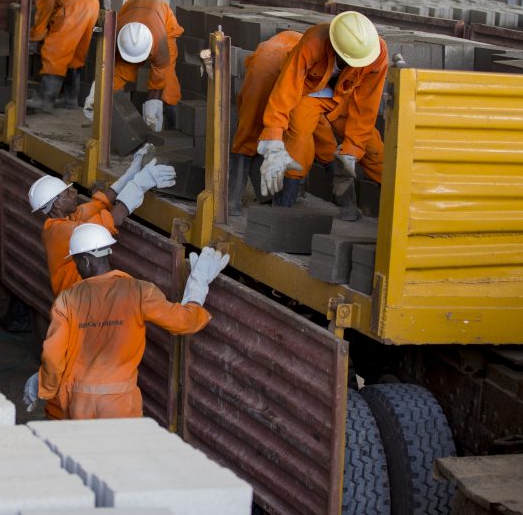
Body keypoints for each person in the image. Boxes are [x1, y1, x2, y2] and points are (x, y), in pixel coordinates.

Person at [23, 224, 228, 420]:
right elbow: (184, 322)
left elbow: (53, 356)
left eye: (76, 262)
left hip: (80, 401)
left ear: (85, 260)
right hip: (120, 401)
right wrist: (198, 284)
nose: (77, 268)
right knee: (121, 453)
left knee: (83, 453)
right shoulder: (139, 291)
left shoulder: (68, 300)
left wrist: (44, 386)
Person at [228, 29, 385, 220]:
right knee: (254, 130)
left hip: (320, 86)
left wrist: (351, 151)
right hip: (281, 72)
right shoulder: (276, 62)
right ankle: (234, 201)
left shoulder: (374, 52)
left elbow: (366, 108)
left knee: (366, 144)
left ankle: (360, 206)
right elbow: (285, 90)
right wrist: (273, 136)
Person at [29, 144, 175, 298]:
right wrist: (139, 185)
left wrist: (130, 175)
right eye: (68, 192)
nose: (74, 193)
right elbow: (115, 218)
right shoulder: (61, 233)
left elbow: (100, 203)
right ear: (58, 203)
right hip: (78, 303)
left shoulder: (66, 220)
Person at [7, 0, 99, 114]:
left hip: (75, 5)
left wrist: (35, 37)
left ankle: (45, 99)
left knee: (54, 50)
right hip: (91, 4)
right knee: (74, 56)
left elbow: (45, 5)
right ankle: (70, 99)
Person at [82, 0, 184, 132]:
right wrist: (94, 96)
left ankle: (172, 126)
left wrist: (151, 115)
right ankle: (97, 104)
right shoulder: (116, 32)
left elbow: (157, 82)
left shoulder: (161, 45)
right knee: (121, 70)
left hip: (163, 18)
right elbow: (107, 69)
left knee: (167, 78)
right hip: (131, 7)